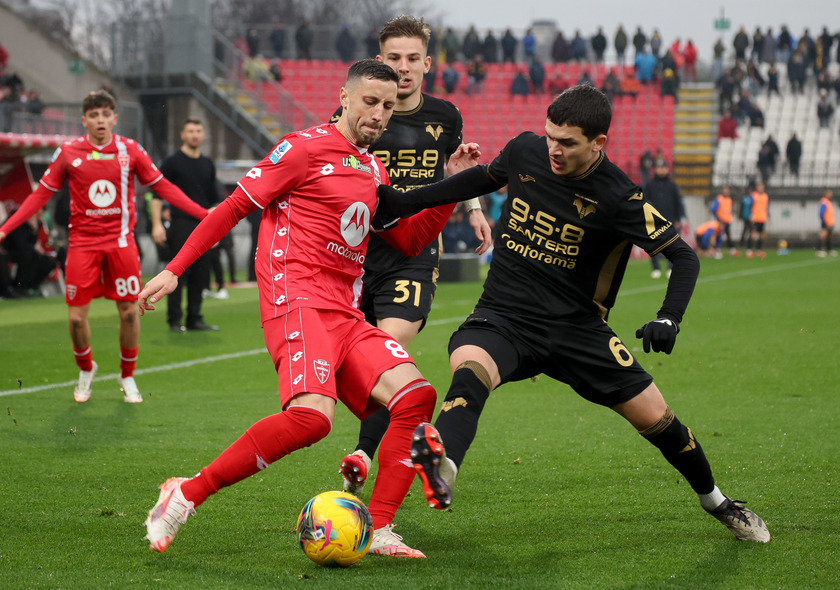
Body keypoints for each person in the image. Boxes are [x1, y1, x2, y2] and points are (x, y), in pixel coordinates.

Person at [375, 84, 770, 544]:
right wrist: (407, 201)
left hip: (578, 330)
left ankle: (717, 501)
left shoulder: (619, 196)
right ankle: (443, 467)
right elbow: (480, 178)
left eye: (567, 142)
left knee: (658, 420)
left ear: (598, 143)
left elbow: (684, 257)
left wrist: (669, 316)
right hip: (504, 316)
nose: (553, 149)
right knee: (468, 371)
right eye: (550, 137)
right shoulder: (526, 151)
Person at [139, 59, 475, 558]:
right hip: (296, 299)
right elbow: (233, 206)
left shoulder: (373, 167)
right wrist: (175, 268)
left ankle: (378, 528)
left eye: (387, 105)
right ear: (344, 96)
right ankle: (185, 494)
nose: (378, 114)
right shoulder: (302, 148)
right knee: (312, 420)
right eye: (369, 101)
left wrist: (455, 186)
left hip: (344, 312)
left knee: (415, 398)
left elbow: (407, 240)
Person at [331, 16, 491, 498]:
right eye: (393, 58)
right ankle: (393, 432)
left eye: (411, 59)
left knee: (388, 346)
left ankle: (362, 453)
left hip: (415, 251)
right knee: (350, 366)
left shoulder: (445, 116)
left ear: (427, 63)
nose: (403, 68)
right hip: (357, 252)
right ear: (380, 62)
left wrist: (476, 208)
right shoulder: (363, 113)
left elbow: (454, 173)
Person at [0, 90, 209, 403]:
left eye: (105, 114)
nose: (100, 120)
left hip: (121, 244)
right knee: (75, 319)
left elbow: (163, 187)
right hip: (82, 244)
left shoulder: (130, 150)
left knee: (129, 312)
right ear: (84, 120)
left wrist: (205, 214)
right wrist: (5, 228)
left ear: (114, 117)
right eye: (93, 115)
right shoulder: (68, 152)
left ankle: (127, 375)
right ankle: (86, 369)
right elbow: (39, 195)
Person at [151, 119, 222, 332]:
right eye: (190, 131)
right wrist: (157, 224)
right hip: (180, 223)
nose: (195, 135)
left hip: (204, 223)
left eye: (199, 131)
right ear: (182, 134)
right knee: (177, 273)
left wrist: (217, 227)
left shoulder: (208, 163)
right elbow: (156, 196)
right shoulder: (172, 162)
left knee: (201, 273)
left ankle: (194, 317)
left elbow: (214, 200)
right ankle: (174, 320)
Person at [644, 158, 686, 279]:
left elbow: (678, 203)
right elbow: (645, 203)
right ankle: (656, 268)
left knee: (672, 245)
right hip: (654, 220)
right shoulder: (650, 185)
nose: (661, 170)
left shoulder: (672, 186)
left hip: (671, 219)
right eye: (659, 167)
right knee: (653, 245)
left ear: (667, 169)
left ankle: (670, 267)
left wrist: (679, 218)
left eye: (663, 167)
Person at [710, 185, 738, 256]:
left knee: (728, 235)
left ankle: (732, 250)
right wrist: (719, 219)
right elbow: (713, 209)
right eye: (725, 191)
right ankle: (717, 251)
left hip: (727, 221)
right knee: (719, 236)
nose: (726, 192)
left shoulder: (729, 199)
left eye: (727, 191)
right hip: (721, 221)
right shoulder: (719, 199)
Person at [747, 181, 769, 258]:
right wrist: (751, 215)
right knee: (752, 234)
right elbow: (749, 206)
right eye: (760, 187)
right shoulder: (754, 196)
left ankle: (759, 251)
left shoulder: (765, 196)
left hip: (762, 218)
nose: (761, 188)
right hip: (755, 218)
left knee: (761, 235)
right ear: (757, 188)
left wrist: (768, 216)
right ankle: (749, 251)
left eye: (762, 187)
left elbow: (766, 207)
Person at [817, 189, 835, 257]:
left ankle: (829, 250)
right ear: (826, 194)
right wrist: (824, 222)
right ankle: (819, 250)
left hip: (830, 223)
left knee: (829, 237)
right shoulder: (824, 202)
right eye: (829, 194)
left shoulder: (828, 202)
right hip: (826, 222)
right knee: (823, 236)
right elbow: (821, 213)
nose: (831, 195)